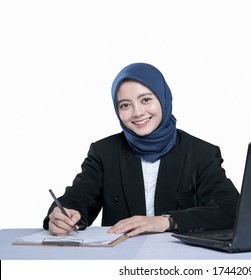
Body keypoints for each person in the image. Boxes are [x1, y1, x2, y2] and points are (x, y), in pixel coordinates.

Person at [43, 62, 239, 237]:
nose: (137, 113)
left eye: (146, 100)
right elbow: (77, 198)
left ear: (163, 99)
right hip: (121, 261)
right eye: (125, 105)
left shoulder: (200, 153)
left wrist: (167, 221)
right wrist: (62, 215)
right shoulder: (104, 152)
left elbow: (231, 208)